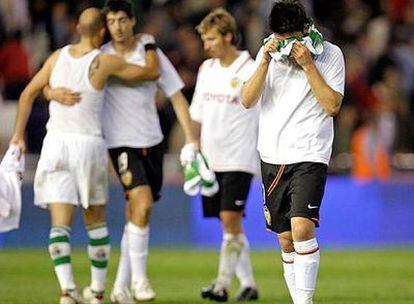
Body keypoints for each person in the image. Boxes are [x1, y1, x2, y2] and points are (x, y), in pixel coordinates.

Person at [11, 7, 160, 304]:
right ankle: (97, 294)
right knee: (96, 223)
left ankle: (67, 292)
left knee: (59, 225)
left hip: (55, 145)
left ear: (78, 28)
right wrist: (150, 45)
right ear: (102, 31)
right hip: (88, 145)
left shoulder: (56, 58)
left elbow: (27, 93)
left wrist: (19, 134)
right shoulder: (103, 62)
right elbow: (149, 72)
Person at [241, 1, 345, 304]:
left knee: (302, 228)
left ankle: (304, 302)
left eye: (292, 37)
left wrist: (308, 65)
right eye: (281, 38)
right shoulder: (267, 54)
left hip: (310, 152)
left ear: (305, 29)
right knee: (285, 239)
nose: (287, 44)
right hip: (272, 154)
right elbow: (247, 100)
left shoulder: (329, 54)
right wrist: (264, 62)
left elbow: (332, 105)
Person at [101, 1, 196, 302]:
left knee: (137, 213)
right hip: (120, 143)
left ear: (132, 21)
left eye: (121, 20)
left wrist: (192, 140)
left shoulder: (149, 50)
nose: (116, 26)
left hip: (152, 141)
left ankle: (119, 286)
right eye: (111, 21)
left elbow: (176, 96)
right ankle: (140, 281)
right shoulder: (102, 57)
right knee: (141, 204)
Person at [190, 8, 260, 302]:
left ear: (228, 36)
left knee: (229, 217)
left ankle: (221, 284)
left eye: (211, 39)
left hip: (239, 157)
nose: (206, 46)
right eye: (204, 40)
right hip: (210, 159)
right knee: (229, 224)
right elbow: (197, 113)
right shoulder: (206, 70)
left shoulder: (250, 68)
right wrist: (191, 144)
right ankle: (249, 284)